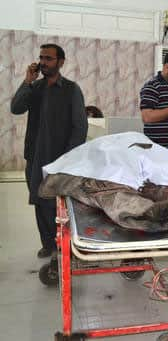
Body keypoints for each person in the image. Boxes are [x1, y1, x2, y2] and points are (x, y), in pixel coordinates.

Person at [10, 43, 88, 258]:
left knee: (59, 205)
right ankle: (48, 244)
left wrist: (68, 158)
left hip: (60, 158)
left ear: (60, 62)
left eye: (49, 58)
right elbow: (16, 108)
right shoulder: (34, 88)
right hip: (35, 157)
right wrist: (27, 81)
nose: (43, 62)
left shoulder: (71, 89)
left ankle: (66, 245)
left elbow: (80, 127)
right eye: (41, 57)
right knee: (39, 200)